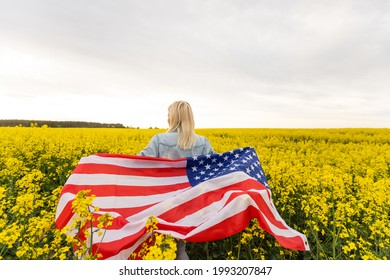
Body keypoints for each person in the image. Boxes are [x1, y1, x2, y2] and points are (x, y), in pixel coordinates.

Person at [138, 100, 214, 260]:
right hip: (191, 203)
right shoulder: (203, 143)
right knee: (180, 247)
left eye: (168, 114)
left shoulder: (159, 140)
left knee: (161, 245)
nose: (167, 118)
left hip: (162, 202)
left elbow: (139, 163)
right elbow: (217, 167)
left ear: (173, 117)